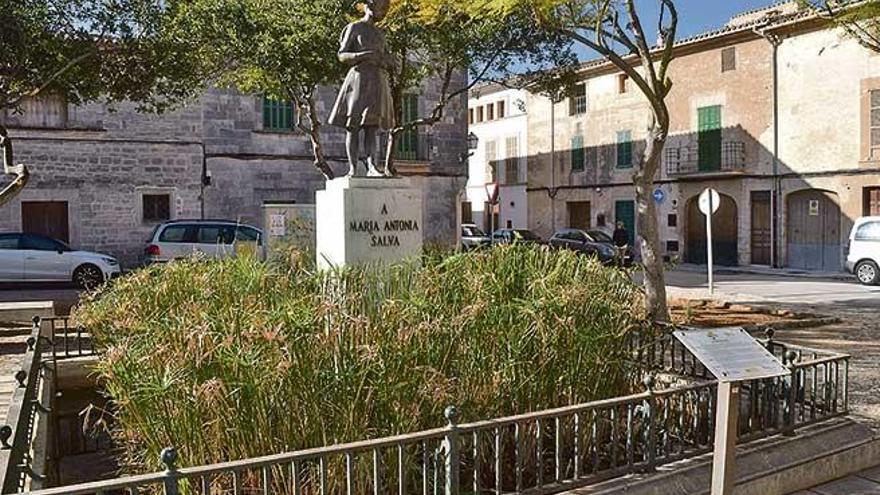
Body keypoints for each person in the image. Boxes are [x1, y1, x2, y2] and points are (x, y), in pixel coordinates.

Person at [328, 0, 395, 177]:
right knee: (354, 125)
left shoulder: (380, 34)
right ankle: (353, 168)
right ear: (370, 6)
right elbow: (342, 55)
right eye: (383, 7)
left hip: (376, 79)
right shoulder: (354, 28)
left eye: (387, 8)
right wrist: (361, 55)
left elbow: (387, 56)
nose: (385, 12)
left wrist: (387, 60)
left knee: (372, 127)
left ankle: (373, 166)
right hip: (358, 79)